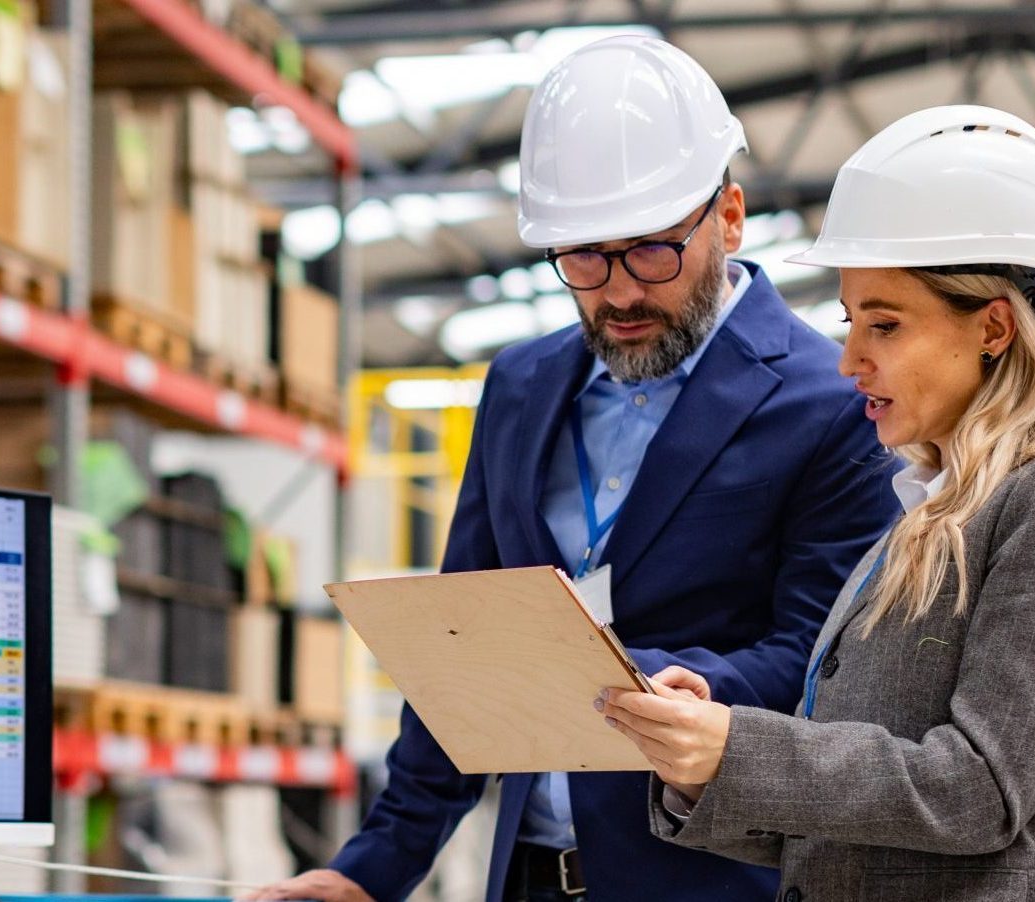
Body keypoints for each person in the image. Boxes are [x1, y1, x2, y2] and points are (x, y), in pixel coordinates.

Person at [243, 35, 898, 902]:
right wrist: (372, 872)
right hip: (528, 879)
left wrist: (675, 689)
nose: (620, 291)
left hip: (713, 885)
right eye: (583, 258)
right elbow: (460, 652)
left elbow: (822, 660)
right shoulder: (520, 386)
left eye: (652, 252)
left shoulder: (830, 401)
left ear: (729, 216)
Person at [601, 104, 1035, 902]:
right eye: (849, 321)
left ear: (995, 328)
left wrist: (740, 748)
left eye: (885, 324)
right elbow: (853, 826)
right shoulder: (919, 518)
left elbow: (977, 790)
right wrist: (699, 766)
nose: (848, 362)